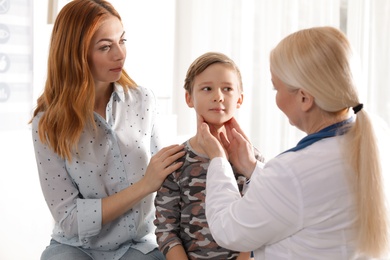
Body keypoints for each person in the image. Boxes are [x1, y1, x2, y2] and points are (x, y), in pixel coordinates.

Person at [196, 27, 389, 259]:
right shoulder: (376, 136)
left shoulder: (292, 170)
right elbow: (302, 198)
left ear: (305, 98)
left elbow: (228, 230)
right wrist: (253, 169)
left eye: (276, 88)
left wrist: (218, 161)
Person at [29, 1, 185, 259]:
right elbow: (69, 219)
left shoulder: (144, 101)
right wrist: (144, 186)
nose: (120, 55)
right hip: (75, 247)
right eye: (105, 47)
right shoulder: (47, 124)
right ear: (76, 55)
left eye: (122, 41)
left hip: (138, 245)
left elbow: (169, 179)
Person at [154, 52, 262, 259]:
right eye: (207, 88)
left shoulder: (253, 162)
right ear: (189, 98)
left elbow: (257, 226)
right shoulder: (175, 161)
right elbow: (166, 230)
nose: (218, 96)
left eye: (227, 89)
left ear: (239, 99)